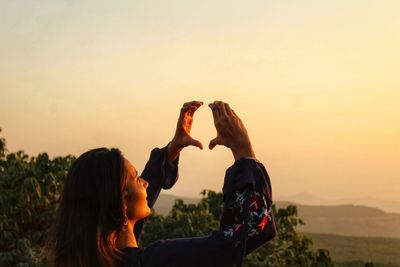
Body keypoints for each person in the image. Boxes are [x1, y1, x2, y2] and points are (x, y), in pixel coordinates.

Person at [48, 101, 277, 267]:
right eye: (137, 178)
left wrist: (170, 152)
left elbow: (123, 228)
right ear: (120, 202)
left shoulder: (96, 258)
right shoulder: (156, 260)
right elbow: (251, 229)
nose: (145, 183)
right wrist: (244, 150)